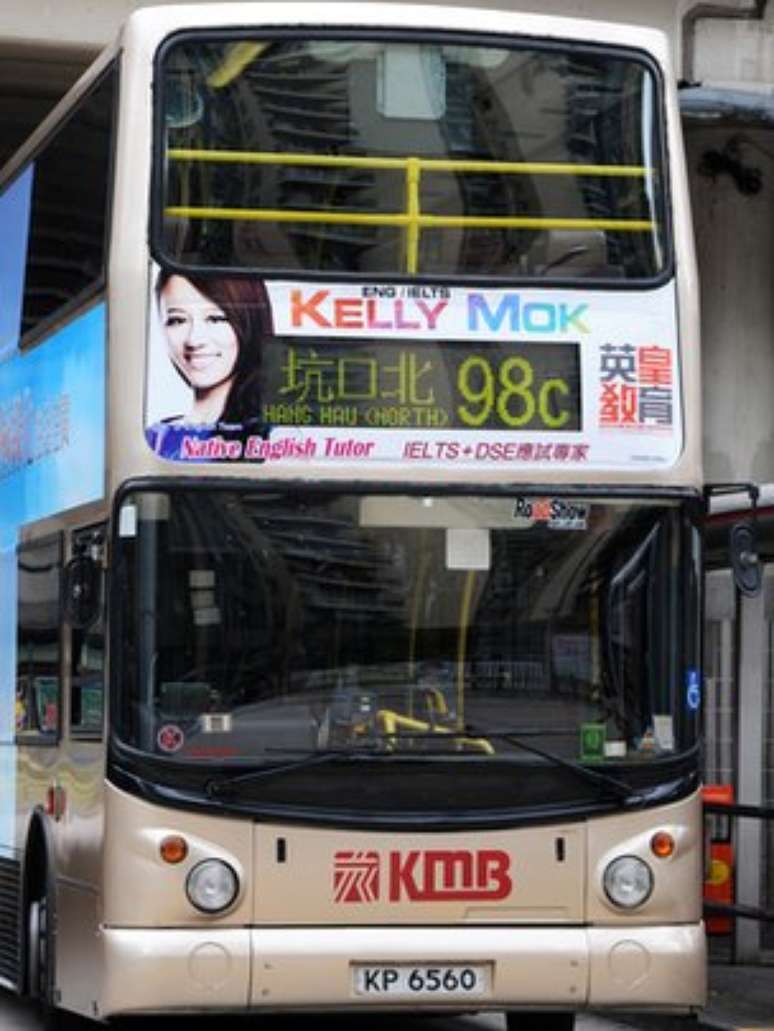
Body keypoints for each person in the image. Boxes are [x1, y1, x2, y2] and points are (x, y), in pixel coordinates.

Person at [145, 270, 272, 459]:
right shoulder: (155, 439)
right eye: (178, 320)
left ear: (249, 321)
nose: (194, 340)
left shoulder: (277, 438)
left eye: (215, 319)